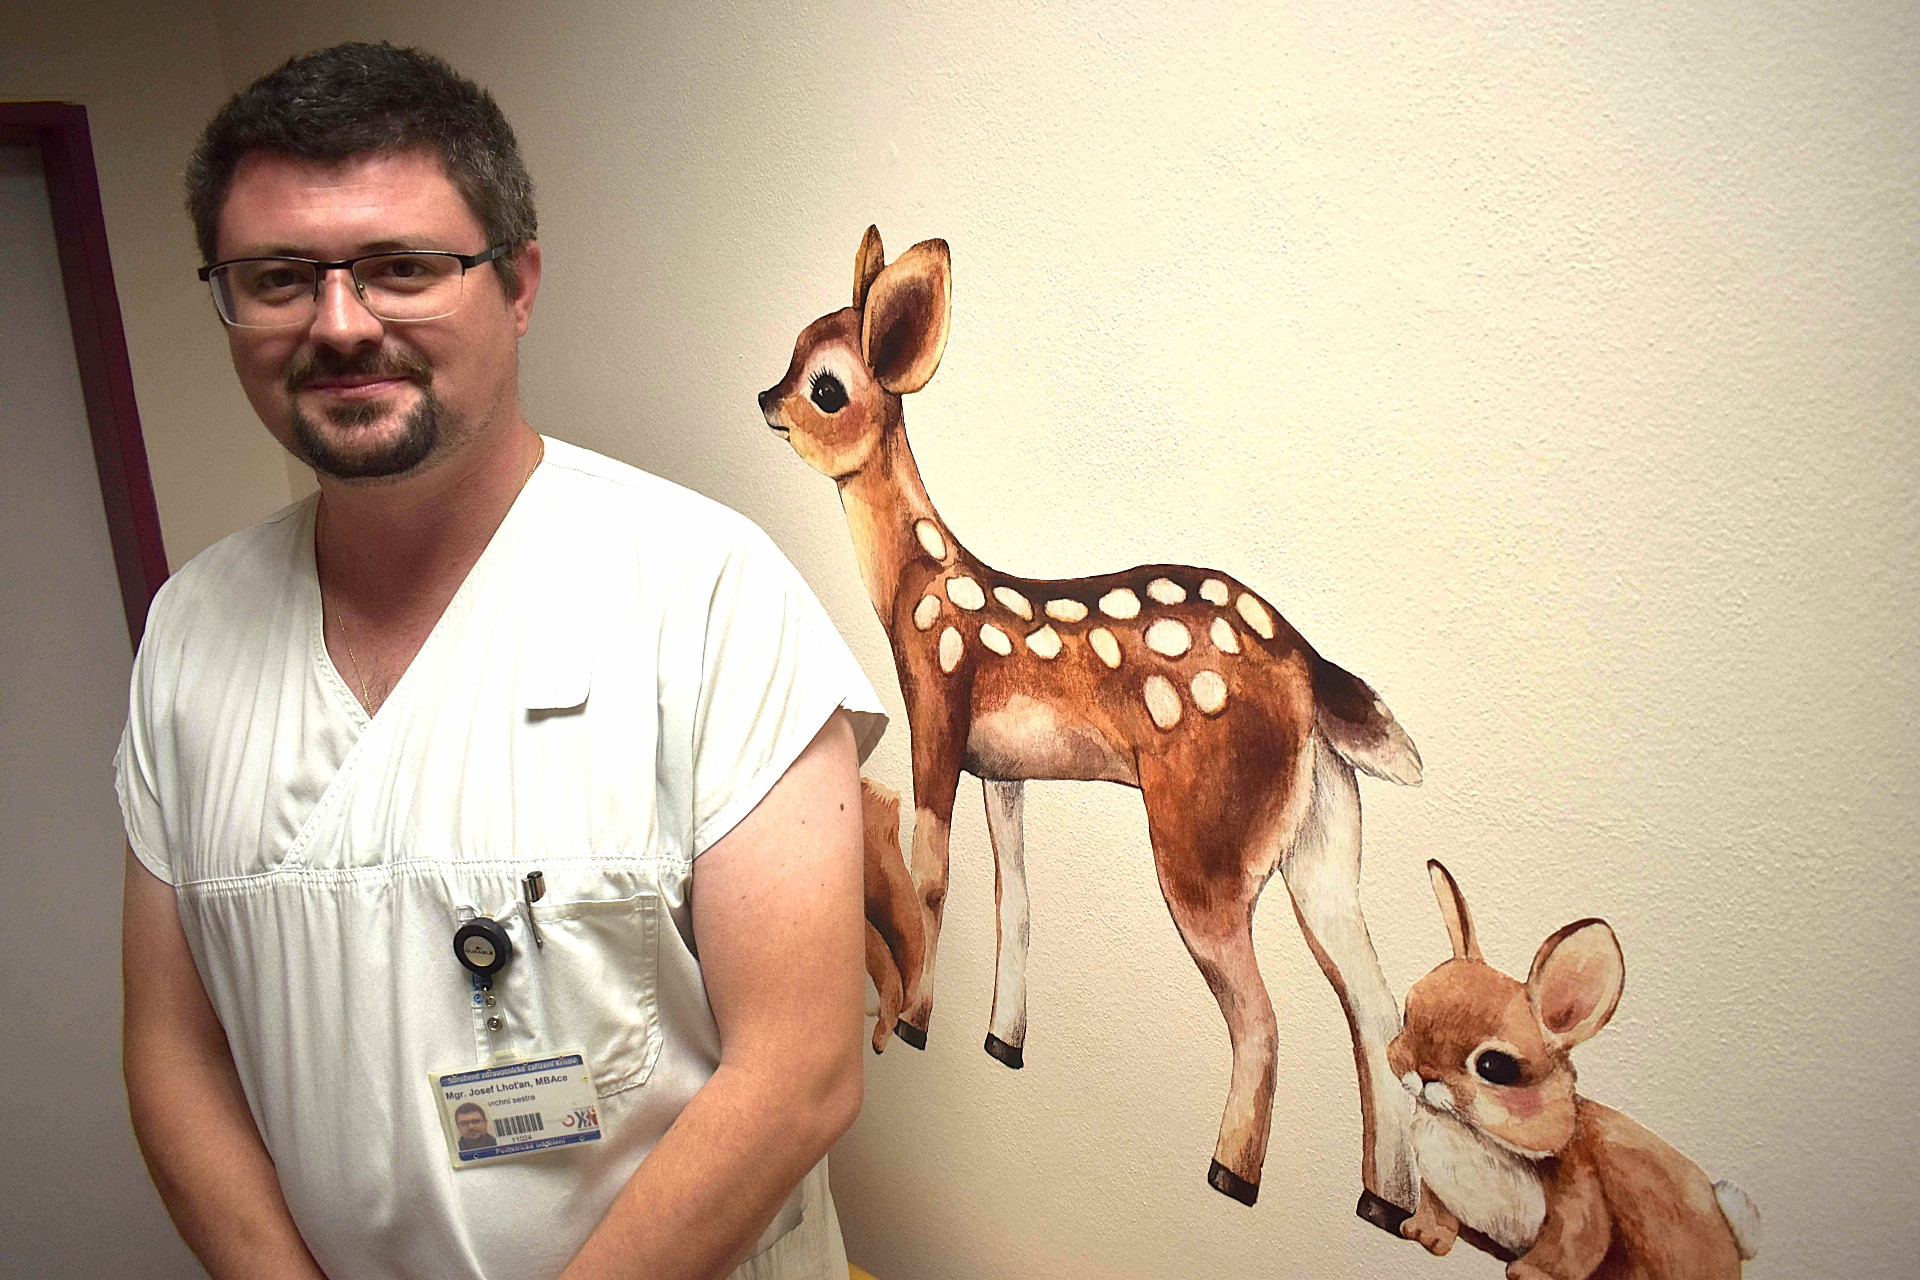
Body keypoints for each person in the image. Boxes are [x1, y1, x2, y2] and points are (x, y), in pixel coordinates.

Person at [118, 42, 885, 1280]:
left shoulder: (704, 593)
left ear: (517, 281)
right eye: (277, 279)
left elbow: (797, 1073)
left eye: (402, 267)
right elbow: (174, 1056)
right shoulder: (188, 635)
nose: (339, 324)